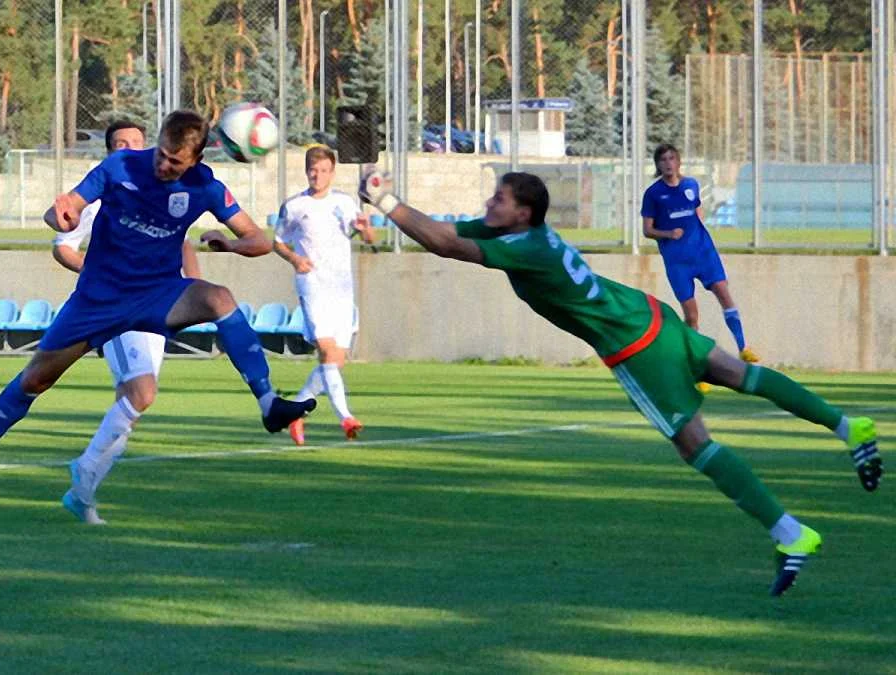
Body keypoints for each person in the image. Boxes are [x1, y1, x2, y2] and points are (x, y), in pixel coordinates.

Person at [359, 167, 882, 597]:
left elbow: (446, 244)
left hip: (635, 348)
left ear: (523, 212)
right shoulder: (521, 234)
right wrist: (394, 204)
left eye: (500, 198)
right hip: (649, 314)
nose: (490, 203)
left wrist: (385, 200)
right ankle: (848, 427)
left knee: (694, 444)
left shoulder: (525, 247)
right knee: (740, 374)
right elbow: (445, 232)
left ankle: (790, 533)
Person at [0, 109, 315, 523]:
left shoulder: (206, 186)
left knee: (219, 299)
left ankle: (268, 403)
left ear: (196, 159)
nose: (164, 165)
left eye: (175, 162)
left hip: (157, 294)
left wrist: (228, 243)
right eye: (161, 154)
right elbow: (64, 212)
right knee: (35, 380)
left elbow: (258, 240)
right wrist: (60, 214)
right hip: (98, 300)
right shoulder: (120, 167)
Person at [48, 118, 202, 524]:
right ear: (110, 151)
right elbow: (63, 246)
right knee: (142, 392)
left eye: (137, 141)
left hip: (155, 304)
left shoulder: (163, 189)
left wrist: (193, 289)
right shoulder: (101, 193)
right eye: (121, 143)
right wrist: (103, 272)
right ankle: (84, 467)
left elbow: (183, 242)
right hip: (115, 305)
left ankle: (82, 495)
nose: (131, 148)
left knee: (131, 407)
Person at [273, 146, 375, 445]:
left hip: (342, 288)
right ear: (307, 171)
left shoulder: (344, 203)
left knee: (336, 361)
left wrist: (366, 229)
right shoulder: (295, 206)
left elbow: (368, 238)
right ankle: (346, 417)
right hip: (312, 285)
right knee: (328, 352)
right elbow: (277, 242)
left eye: (324, 171)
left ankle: (294, 412)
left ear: (332, 172)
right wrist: (295, 259)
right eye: (313, 170)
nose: (318, 176)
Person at [642, 144, 757, 393]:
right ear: (658, 165)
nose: (668, 163)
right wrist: (668, 234)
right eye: (663, 159)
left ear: (678, 162)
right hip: (677, 262)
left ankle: (743, 348)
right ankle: (696, 371)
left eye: (672, 158)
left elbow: (696, 210)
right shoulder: (653, 193)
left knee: (724, 293)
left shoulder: (690, 185)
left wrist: (698, 230)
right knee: (692, 316)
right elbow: (647, 230)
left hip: (703, 254)